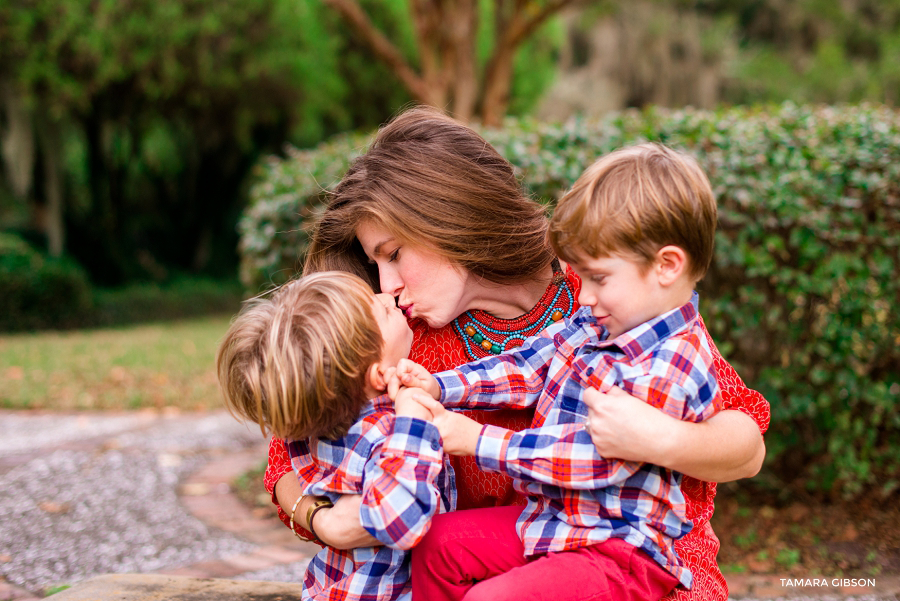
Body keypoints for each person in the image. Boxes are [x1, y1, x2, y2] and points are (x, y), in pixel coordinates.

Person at [263, 106, 770, 601]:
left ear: (449, 217)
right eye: (376, 265)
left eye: (393, 254)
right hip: (508, 550)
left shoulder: (607, 291)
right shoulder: (401, 338)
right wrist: (323, 519)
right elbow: (289, 452)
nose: (387, 285)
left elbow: (745, 445)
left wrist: (656, 438)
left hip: (642, 565)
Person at [394, 143, 726, 601]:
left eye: (599, 278)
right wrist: (439, 385)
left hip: (619, 551)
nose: (584, 294)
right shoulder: (596, 324)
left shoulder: (674, 360)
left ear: (667, 265)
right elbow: (528, 366)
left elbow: (595, 458)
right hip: (555, 521)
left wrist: (477, 440)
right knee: (437, 545)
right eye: (581, 277)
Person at [217, 271, 455, 601]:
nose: (388, 296)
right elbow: (402, 522)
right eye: (383, 310)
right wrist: (414, 420)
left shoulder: (311, 431)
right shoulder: (387, 435)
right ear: (377, 374)